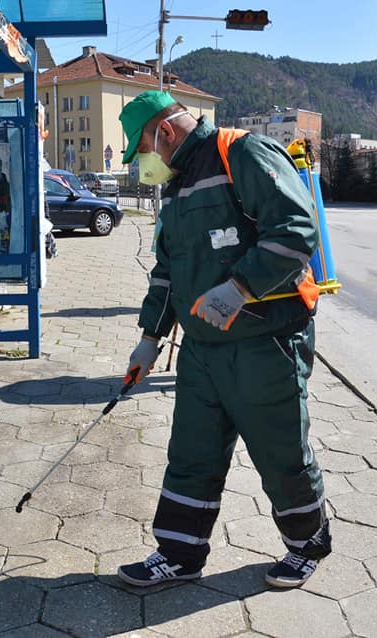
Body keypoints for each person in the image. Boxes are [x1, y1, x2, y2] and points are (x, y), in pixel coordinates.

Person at [116, 90, 330, 589]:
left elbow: (297, 231)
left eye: (142, 149)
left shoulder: (243, 153)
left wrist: (240, 288)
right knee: (191, 454)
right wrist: (149, 340)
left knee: (280, 454)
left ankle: (307, 543)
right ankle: (179, 554)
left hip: (265, 344)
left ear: (165, 132)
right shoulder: (176, 189)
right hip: (201, 351)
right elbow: (168, 271)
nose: (143, 163)